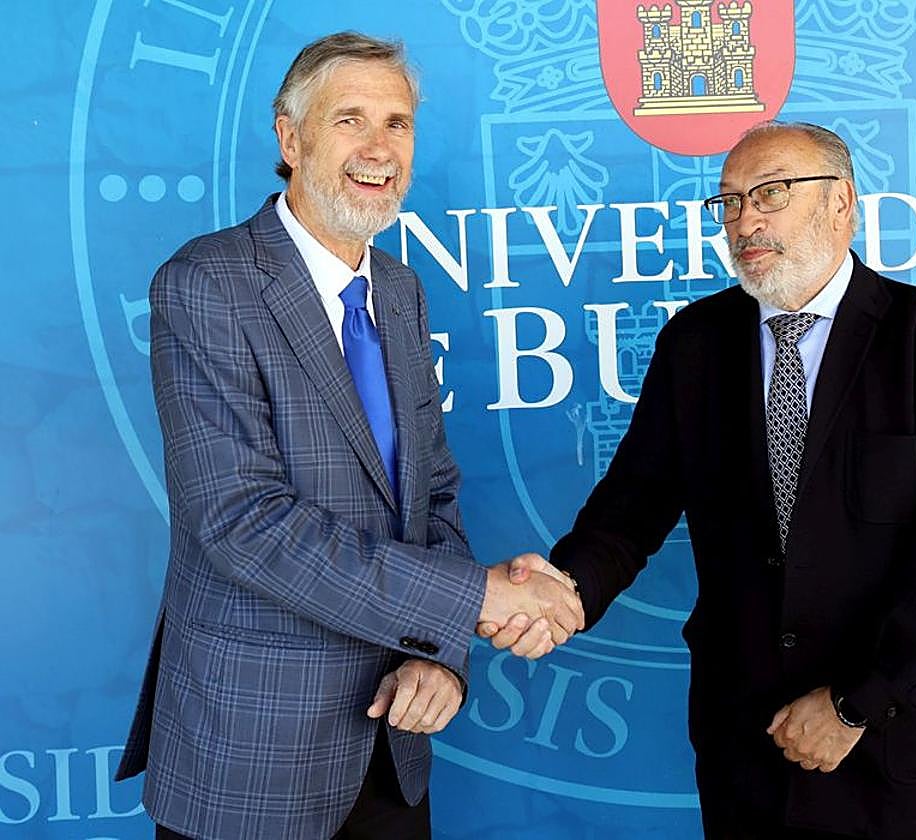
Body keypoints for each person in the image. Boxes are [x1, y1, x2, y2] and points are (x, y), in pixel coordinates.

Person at [482, 122, 916, 839]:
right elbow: (628, 512)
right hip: (747, 753)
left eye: (770, 194)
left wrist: (856, 703)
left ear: (840, 202)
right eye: (728, 203)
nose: (744, 221)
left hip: (892, 747)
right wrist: (565, 596)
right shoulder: (695, 343)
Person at [114, 31, 582, 840]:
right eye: (349, 120)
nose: (379, 148)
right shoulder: (206, 284)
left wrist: (441, 653)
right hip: (252, 755)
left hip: (395, 738)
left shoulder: (399, 289)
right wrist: (478, 600)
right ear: (289, 138)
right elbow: (243, 524)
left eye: (397, 123)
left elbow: (432, 491)